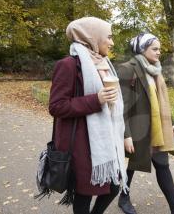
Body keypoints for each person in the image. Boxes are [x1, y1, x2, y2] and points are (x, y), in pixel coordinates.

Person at [49, 17, 128, 214]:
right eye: (108, 37)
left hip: (106, 141)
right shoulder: (68, 65)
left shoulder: (105, 64)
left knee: (114, 187)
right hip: (81, 144)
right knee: (84, 195)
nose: (112, 42)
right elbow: (57, 106)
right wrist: (96, 100)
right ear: (93, 37)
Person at [116, 33, 174, 214]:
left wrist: (168, 123)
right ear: (142, 49)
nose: (159, 52)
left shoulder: (156, 69)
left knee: (162, 165)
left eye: (159, 49)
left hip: (156, 129)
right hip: (137, 129)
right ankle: (124, 198)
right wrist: (126, 135)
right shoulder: (127, 69)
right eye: (154, 49)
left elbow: (160, 100)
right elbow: (121, 106)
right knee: (132, 165)